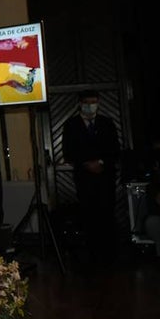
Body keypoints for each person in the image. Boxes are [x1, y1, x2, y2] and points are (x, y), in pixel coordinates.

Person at [61, 90, 120, 258]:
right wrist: (86, 163)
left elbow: (115, 149)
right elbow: (68, 151)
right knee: (88, 213)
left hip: (105, 176)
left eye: (94, 102)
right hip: (84, 177)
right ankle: (92, 250)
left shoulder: (107, 123)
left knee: (107, 211)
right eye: (87, 102)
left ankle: (109, 249)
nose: (90, 106)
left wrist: (101, 162)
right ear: (80, 104)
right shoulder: (71, 125)